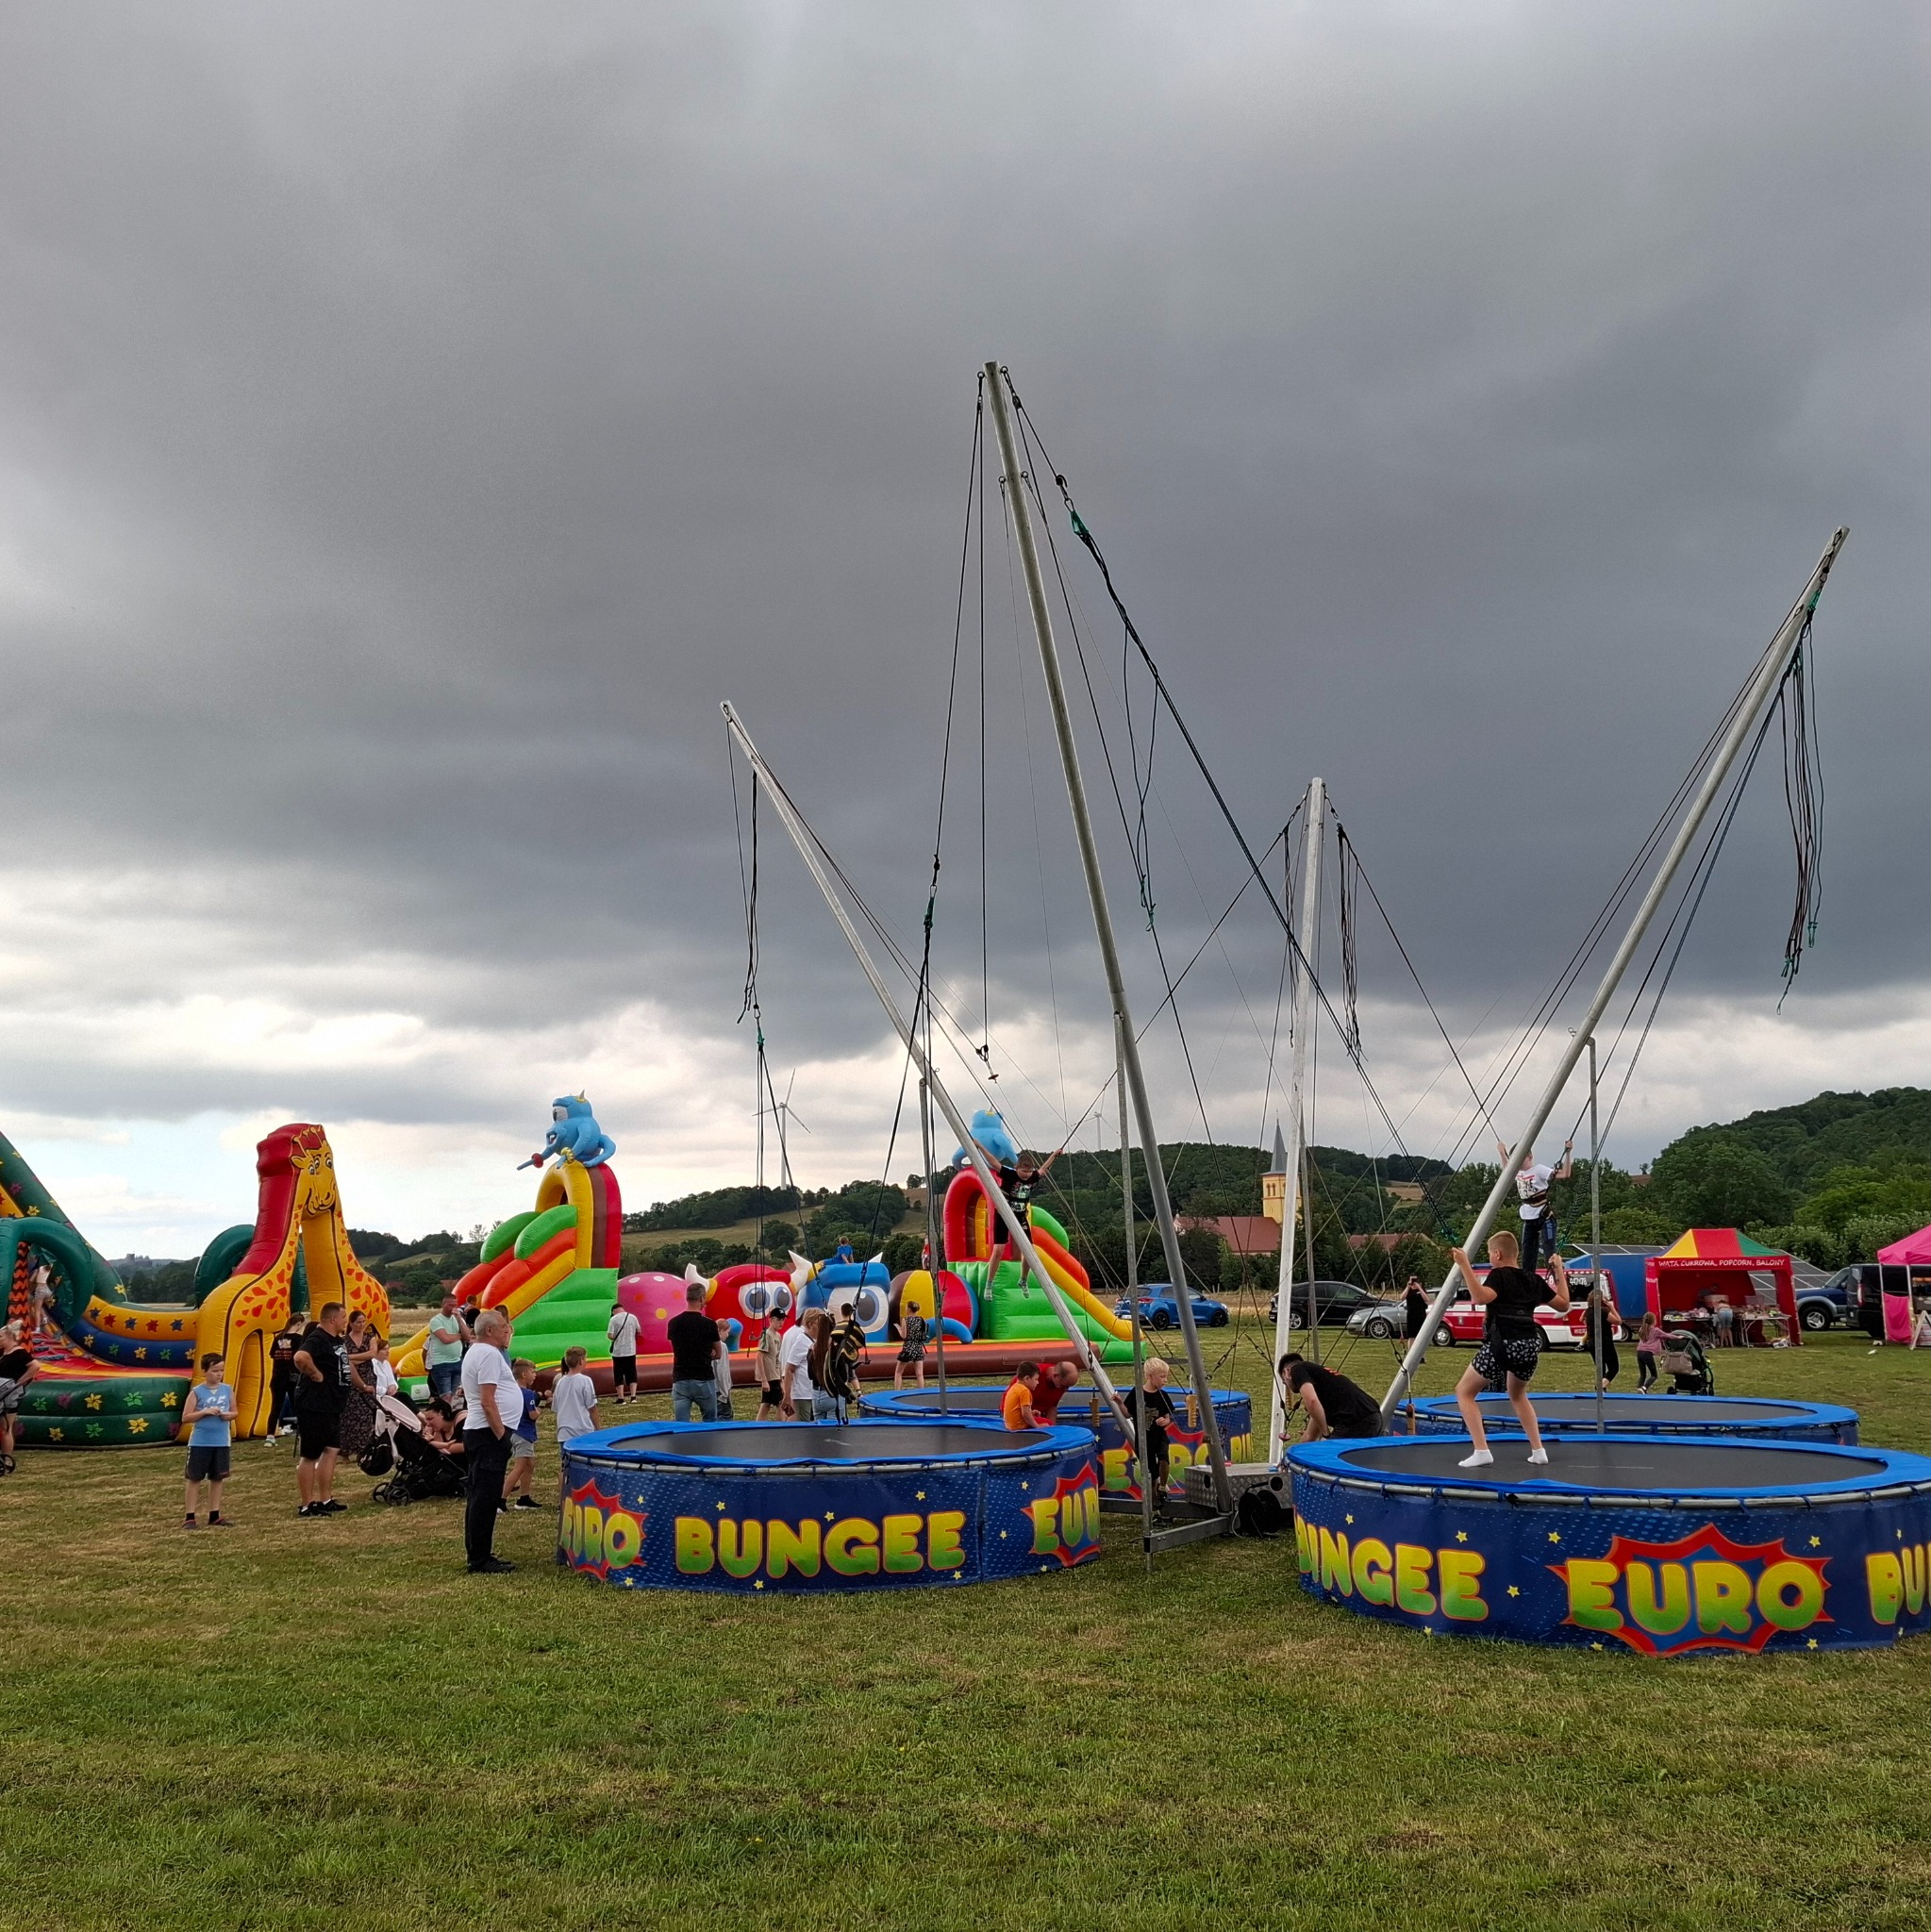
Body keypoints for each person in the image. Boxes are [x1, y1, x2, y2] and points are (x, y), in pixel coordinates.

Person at [1449, 1233, 1567, 1468]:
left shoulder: (1499, 1275)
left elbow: (1480, 1298)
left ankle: (1481, 1450)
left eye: (1490, 1254)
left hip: (1504, 1344)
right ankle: (1538, 1450)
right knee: (1518, 1395)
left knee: (1464, 1392)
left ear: (1497, 1254)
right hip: (1530, 1346)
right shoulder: (1532, 1279)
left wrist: (1464, 1265)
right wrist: (1559, 1269)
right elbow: (1564, 1303)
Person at [460, 1309, 521, 1574]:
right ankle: (480, 1558)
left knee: (478, 1496)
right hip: (488, 1433)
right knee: (485, 1497)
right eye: (503, 1328)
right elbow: (488, 1400)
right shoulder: (487, 1354)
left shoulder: (476, 1351)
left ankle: (478, 1551)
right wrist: (500, 1435)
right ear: (489, 1331)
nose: (507, 1331)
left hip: (480, 1432)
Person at [292, 1301, 352, 1518]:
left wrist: (362, 1386)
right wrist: (315, 1373)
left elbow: (345, 1365)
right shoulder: (318, 1338)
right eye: (343, 1317)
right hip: (315, 1405)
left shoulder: (337, 1340)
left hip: (333, 1405)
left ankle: (325, 1499)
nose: (345, 1321)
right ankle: (307, 1504)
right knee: (310, 1455)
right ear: (333, 1319)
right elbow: (300, 1357)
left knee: (332, 1450)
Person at [1498, 1137, 1573, 1276]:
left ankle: (1558, 1280)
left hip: (1544, 1217)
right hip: (1529, 1218)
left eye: (1522, 1159)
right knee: (1527, 1256)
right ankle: (1528, 1283)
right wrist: (1502, 1153)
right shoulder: (1517, 1173)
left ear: (1530, 1156)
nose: (1519, 1163)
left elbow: (1565, 1174)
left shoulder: (1539, 1170)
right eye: (1516, 1160)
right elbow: (1506, 1171)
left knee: (1549, 1254)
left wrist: (1567, 1153)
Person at [181, 1351, 237, 1528]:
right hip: (200, 1442)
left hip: (221, 1441)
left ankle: (215, 1514)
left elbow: (235, 1410)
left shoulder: (227, 1389)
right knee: (195, 1478)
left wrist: (229, 1416)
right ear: (205, 1371)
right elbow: (186, 1416)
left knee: (217, 1478)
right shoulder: (197, 1392)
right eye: (214, 1371)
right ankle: (190, 1516)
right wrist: (204, 1412)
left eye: (221, 1370)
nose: (218, 1374)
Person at [1279, 1352, 1382, 1443]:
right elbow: (1309, 1435)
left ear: (1285, 1372)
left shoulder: (1296, 1369)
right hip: (1371, 1416)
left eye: (1285, 1383)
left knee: (1327, 1456)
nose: (1288, 1386)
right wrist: (1291, 1456)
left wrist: (1326, 1434)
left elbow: (1312, 1401)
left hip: (1355, 1421)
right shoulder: (1323, 1385)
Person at [666, 1280, 722, 1424]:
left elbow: (677, 1347)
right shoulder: (709, 1324)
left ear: (687, 1298)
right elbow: (719, 1353)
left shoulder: (674, 1322)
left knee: (682, 1423)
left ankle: (684, 1446)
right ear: (702, 1298)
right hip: (703, 1377)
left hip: (681, 1378)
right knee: (710, 1421)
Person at [1123, 1357, 1177, 1504]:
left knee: (1164, 1459)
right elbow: (1127, 1413)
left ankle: (1163, 1487)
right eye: (1162, 1377)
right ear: (1149, 1376)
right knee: (1151, 1474)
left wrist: (1165, 1421)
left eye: (1166, 1376)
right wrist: (1117, 1402)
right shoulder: (1137, 1393)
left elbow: (1168, 1418)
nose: (1165, 1380)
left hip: (1160, 1436)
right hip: (1144, 1439)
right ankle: (1154, 1505)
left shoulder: (1163, 1396)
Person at [501, 1358, 541, 1511]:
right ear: (524, 1375)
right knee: (520, 1467)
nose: (535, 1375)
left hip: (515, 1432)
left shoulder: (512, 1391)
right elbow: (532, 1415)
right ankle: (501, 1499)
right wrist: (538, 1412)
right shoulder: (528, 1395)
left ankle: (524, 1498)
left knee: (530, 1465)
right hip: (524, 1434)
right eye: (533, 1372)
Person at [338, 1310, 378, 1462]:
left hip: (367, 1378)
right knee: (349, 1414)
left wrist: (350, 1358)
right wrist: (352, 1360)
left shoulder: (370, 1337)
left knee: (366, 1413)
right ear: (351, 1323)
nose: (362, 1325)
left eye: (363, 1321)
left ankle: (364, 1449)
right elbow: (344, 1360)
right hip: (350, 1380)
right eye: (358, 1322)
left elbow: (372, 1354)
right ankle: (346, 1450)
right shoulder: (343, 1340)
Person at [0, 1323, 39, 1470]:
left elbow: (35, 1366)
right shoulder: (3, 1353)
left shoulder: (20, 1353)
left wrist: (21, 1382)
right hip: (1, 1391)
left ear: (10, 1337)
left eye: (1, 1337)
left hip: (10, 1394)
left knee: (5, 1427)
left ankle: (6, 1459)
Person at [552, 1345, 601, 1448]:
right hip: (582, 1431)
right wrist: (598, 1428)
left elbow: (556, 1407)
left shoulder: (560, 1382)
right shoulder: (585, 1380)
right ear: (581, 1361)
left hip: (564, 1432)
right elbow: (592, 1408)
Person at [824, 1306, 866, 1422]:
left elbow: (831, 1342)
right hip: (851, 1354)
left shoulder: (838, 1326)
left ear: (841, 1312)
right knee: (851, 1373)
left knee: (843, 1375)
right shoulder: (854, 1326)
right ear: (851, 1312)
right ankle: (858, 1392)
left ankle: (847, 1394)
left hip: (840, 1355)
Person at [779, 1309, 823, 1421]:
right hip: (803, 1394)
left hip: (813, 1392)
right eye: (819, 1323)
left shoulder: (814, 1341)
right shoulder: (801, 1341)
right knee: (805, 1424)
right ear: (811, 1324)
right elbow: (789, 1368)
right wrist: (787, 1395)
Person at [424, 1292, 467, 1402]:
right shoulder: (436, 1321)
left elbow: (468, 1337)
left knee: (452, 1395)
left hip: (457, 1361)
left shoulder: (457, 1319)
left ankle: (447, 1414)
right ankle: (444, 1415)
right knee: (445, 1395)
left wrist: (459, 1319)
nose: (452, 1308)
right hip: (441, 1363)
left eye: (455, 1305)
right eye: (450, 1305)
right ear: (443, 1305)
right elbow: (445, 1339)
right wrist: (459, 1335)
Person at [1582, 1274, 1621, 1391]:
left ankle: (1602, 1388)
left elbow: (1583, 1321)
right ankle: (1599, 1386)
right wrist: (1611, 1307)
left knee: (1601, 1367)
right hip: (1605, 1342)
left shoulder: (1588, 1311)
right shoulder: (1603, 1312)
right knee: (1614, 1367)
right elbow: (1618, 1321)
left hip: (1592, 1342)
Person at [268, 1315, 304, 1437]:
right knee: (297, 1407)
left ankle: (270, 1435)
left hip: (277, 1378)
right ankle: (302, 1432)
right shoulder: (299, 1339)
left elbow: (273, 1356)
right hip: (292, 1378)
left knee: (275, 1407)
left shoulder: (278, 1338)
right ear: (298, 1324)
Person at [607, 1300, 641, 1406]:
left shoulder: (613, 1319)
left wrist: (617, 1337)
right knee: (632, 1373)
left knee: (619, 1375)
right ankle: (633, 1397)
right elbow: (639, 1331)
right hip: (631, 1350)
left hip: (618, 1352)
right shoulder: (633, 1317)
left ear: (613, 1311)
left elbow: (610, 1335)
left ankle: (621, 1398)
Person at [755, 1317, 787, 1421]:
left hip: (776, 1374)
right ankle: (780, 1426)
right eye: (778, 1320)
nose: (781, 1322)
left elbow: (778, 1358)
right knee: (780, 1404)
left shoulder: (778, 1336)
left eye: (782, 1320)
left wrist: (781, 1379)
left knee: (766, 1403)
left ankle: (758, 1425)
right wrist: (764, 1380)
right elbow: (760, 1356)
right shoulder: (767, 1335)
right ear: (771, 1320)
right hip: (770, 1376)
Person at [893, 1302, 929, 1391]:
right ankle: (921, 1391)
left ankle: (897, 1391)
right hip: (918, 1347)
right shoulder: (921, 1319)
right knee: (919, 1374)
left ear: (909, 1309)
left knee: (898, 1372)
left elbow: (904, 1335)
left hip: (908, 1347)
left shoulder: (906, 1320)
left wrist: (899, 1329)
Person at [1030, 1359, 1078, 1424]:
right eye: (1064, 1386)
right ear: (1056, 1376)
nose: (1066, 1390)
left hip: (1039, 1415)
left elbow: (1052, 1407)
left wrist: (1052, 1428)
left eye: (1068, 1387)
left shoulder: (1060, 1384)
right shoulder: (1033, 1375)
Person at [1001, 1363, 1041, 1430]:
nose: (1037, 1383)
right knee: (1048, 1423)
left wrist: (1031, 1413)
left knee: (1037, 1419)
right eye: (1036, 1379)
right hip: (1019, 1426)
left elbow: (1017, 1410)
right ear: (1027, 1379)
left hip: (1009, 1425)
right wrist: (1037, 1426)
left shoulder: (1014, 1387)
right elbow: (1025, 1413)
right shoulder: (1024, 1391)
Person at [369, 1334, 398, 1405]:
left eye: (388, 1349)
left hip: (390, 1395)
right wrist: (385, 1391)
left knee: (404, 1396)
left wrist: (393, 1386)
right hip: (380, 1397)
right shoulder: (372, 1365)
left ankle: (420, 1415)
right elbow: (372, 1385)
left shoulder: (386, 1364)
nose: (387, 1351)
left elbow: (392, 1381)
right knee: (403, 1397)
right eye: (384, 1349)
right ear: (377, 1351)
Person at [1403, 1275, 1429, 1343]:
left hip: (1421, 1314)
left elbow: (1427, 1299)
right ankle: (1410, 1352)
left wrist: (1419, 1288)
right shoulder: (1409, 1291)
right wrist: (1408, 1287)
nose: (1413, 1284)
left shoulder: (1422, 1291)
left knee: (1421, 1334)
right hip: (1411, 1315)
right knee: (1412, 1336)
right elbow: (1402, 1297)